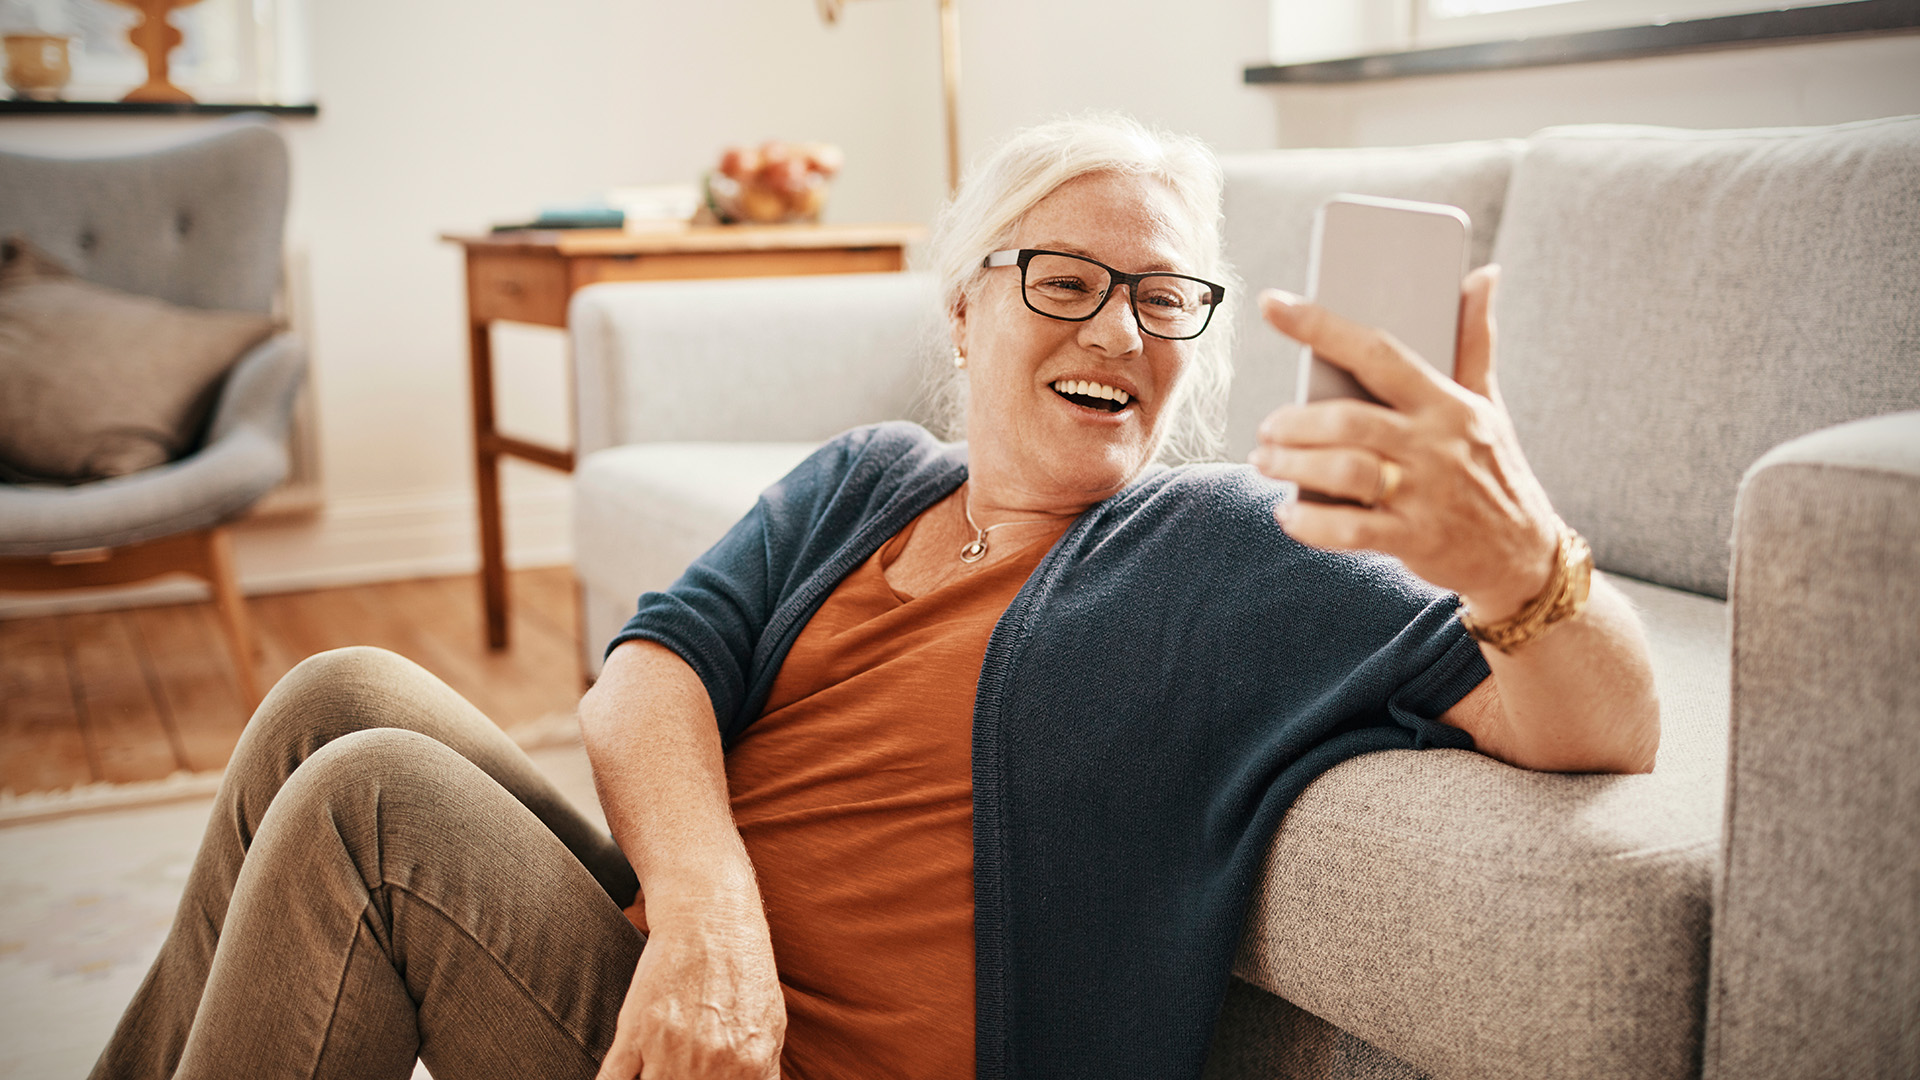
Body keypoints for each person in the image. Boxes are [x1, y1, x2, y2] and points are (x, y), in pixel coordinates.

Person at [90, 115, 1658, 1080]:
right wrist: (707, 914)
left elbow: (1605, 723)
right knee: (339, 690)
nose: (1119, 325)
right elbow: (650, 670)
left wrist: (1516, 552)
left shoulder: (1221, 548)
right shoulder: (865, 479)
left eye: (1164, 296)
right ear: (967, 308)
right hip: (675, 1003)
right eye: (1066, 278)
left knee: (375, 806)